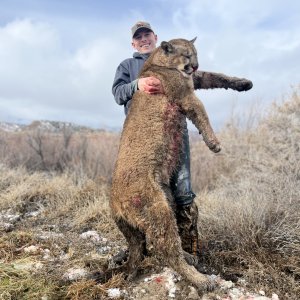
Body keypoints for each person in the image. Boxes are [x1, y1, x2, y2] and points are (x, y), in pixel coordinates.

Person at [112, 21, 252, 257]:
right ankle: (146, 248)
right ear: (133, 43)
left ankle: (189, 251)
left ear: (156, 38)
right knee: (148, 192)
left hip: (176, 135)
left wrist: (231, 82)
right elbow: (117, 94)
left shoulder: (175, 61)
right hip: (144, 141)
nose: (144, 39)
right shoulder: (127, 65)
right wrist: (138, 83)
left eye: (147, 35)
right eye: (139, 37)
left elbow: (200, 78)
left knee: (183, 191)